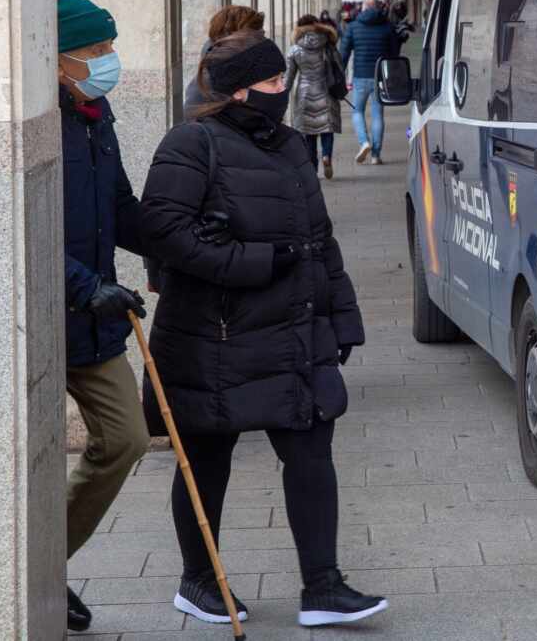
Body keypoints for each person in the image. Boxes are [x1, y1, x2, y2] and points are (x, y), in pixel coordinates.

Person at [138, 31, 386, 629]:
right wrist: (250, 261)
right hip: (215, 338)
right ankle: (197, 580)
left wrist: (343, 314)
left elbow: (320, 240)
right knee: (206, 455)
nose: (284, 91)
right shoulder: (190, 144)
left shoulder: (292, 146)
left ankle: (323, 586)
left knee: (310, 448)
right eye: (275, 83)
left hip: (293, 330)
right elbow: (163, 232)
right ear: (240, 91)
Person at [56, 0, 151, 633]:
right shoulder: (34, 115)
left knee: (126, 438)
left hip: (94, 318)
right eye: (96, 50)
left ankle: (44, 562)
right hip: (44, 315)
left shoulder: (97, 110)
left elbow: (118, 204)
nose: (109, 60)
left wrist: (179, 237)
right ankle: (35, 575)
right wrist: (82, 284)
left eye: (111, 47)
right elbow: (14, 222)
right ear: (57, 56)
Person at [339, 0, 397, 164]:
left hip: (360, 77)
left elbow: (344, 53)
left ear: (363, 8)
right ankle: (375, 155)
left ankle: (364, 142)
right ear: (377, 8)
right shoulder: (387, 27)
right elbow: (394, 53)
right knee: (378, 114)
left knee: (357, 111)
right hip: (380, 78)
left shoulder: (353, 27)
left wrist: (339, 75)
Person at [286, 13, 343, 178]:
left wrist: (282, 97)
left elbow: (289, 78)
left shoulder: (295, 49)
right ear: (317, 25)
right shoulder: (328, 44)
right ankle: (326, 155)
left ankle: (312, 167)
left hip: (304, 95)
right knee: (327, 129)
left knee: (308, 133)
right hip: (326, 91)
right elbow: (339, 66)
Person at [184, 5, 265, 112]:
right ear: (236, 37)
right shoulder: (211, 85)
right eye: (257, 36)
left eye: (262, 35)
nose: (263, 41)